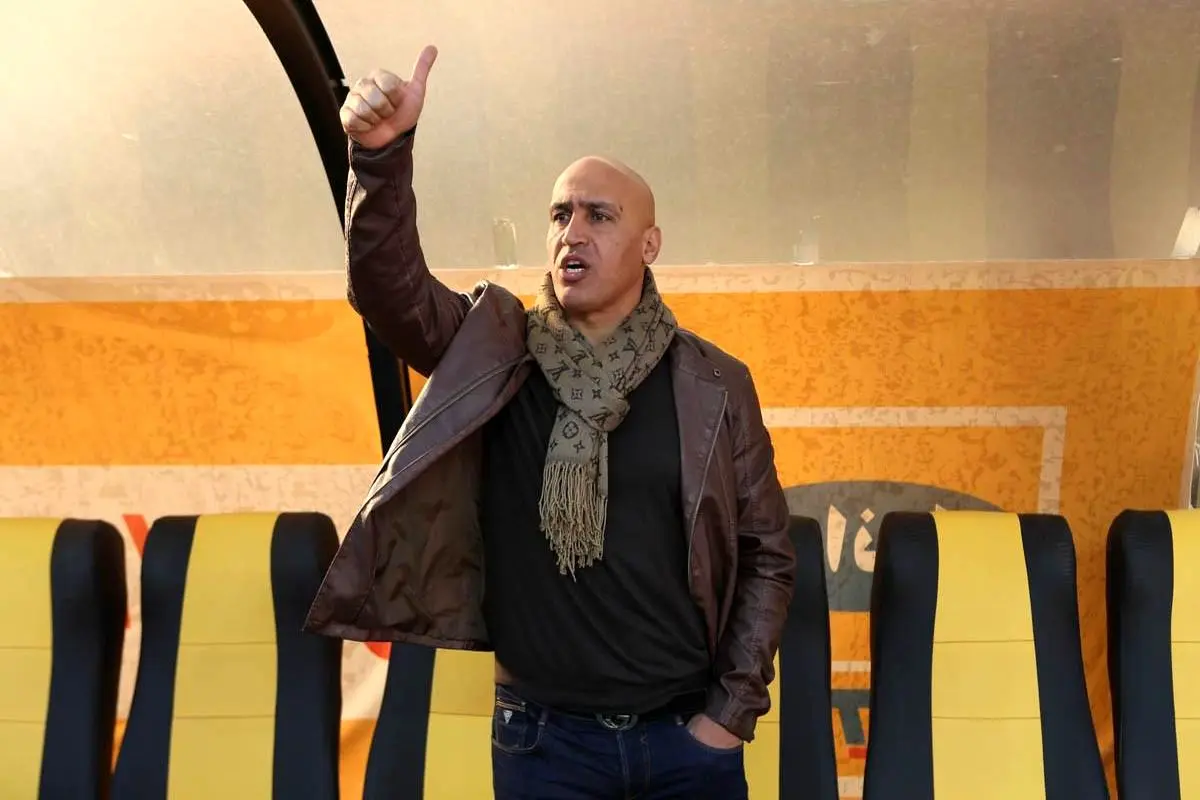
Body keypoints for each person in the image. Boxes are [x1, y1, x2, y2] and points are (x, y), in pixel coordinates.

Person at [304, 44, 796, 800]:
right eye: (561, 214)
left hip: (686, 743)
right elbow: (388, 291)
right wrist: (379, 159)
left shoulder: (714, 383)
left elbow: (766, 555)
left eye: (600, 215)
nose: (573, 232)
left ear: (649, 245)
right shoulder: (495, 346)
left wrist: (727, 718)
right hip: (543, 744)